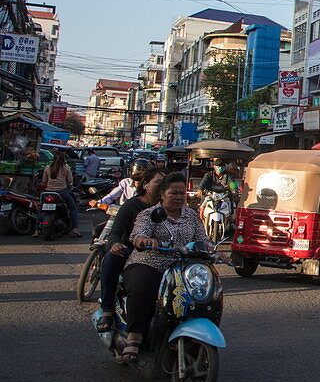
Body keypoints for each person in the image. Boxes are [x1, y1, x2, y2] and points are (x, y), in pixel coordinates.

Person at [120, 172, 210, 361]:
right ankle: (134, 337)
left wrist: (212, 250)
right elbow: (138, 234)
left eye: (182, 193)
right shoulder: (149, 214)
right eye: (173, 193)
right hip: (149, 262)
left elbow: (202, 239)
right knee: (142, 289)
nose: (178, 198)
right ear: (162, 194)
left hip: (182, 268)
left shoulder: (192, 216)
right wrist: (143, 240)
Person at [95, 167, 166, 333]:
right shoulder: (131, 205)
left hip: (161, 253)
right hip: (131, 252)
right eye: (158, 182)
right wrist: (114, 244)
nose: (162, 187)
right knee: (111, 259)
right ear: (146, 184)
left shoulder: (168, 206)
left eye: (165, 184)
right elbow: (116, 231)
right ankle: (107, 309)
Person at [43, 151, 80, 237]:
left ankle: (36, 230)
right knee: (73, 208)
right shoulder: (65, 167)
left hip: (48, 192)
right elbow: (70, 180)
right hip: (61, 191)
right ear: (64, 159)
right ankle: (75, 229)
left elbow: (44, 181)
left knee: (41, 210)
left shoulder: (48, 167)